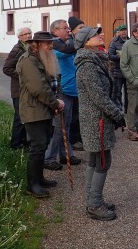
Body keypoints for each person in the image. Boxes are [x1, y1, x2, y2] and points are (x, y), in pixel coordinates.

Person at [74, 26, 125, 221]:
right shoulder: (87, 65)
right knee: (102, 161)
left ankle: (93, 199)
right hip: (97, 121)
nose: (101, 35)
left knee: (97, 160)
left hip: (99, 119)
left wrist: (115, 114)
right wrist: (117, 115)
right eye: (96, 35)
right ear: (86, 42)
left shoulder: (95, 59)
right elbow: (99, 97)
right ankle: (94, 205)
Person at [16, 31, 65, 198]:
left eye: (51, 43)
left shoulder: (42, 58)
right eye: (47, 44)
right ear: (35, 44)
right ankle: (32, 185)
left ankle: (40, 178)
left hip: (44, 109)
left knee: (42, 145)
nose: (51, 46)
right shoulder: (28, 61)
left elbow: (53, 81)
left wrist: (56, 101)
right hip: (33, 110)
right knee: (37, 147)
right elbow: (39, 88)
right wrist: (55, 103)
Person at [44, 19, 81, 171]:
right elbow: (68, 52)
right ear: (55, 31)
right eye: (64, 28)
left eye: (68, 28)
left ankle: (66, 154)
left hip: (71, 90)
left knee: (67, 125)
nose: (68, 30)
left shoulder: (65, 44)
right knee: (59, 127)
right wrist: (77, 37)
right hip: (63, 90)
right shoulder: (55, 46)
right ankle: (49, 158)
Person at [2, 26, 31, 150]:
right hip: (18, 90)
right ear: (19, 37)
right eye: (25, 34)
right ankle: (15, 144)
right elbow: (6, 69)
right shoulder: (17, 50)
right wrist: (21, 75)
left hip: (26, 88)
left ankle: (24, 142)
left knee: (26, 116)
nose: (28, 36)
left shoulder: (29, 48)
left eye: (29, 33)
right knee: (19, 117)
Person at [67, 16, 85, 151]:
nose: (82, 30)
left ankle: (79, 137)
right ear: (72, 31)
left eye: (84, 27)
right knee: (73, 114)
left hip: (80, 81)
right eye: (80, 28)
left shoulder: (83, 42)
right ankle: (73, 140)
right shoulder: (69, 44)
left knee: (80, 113)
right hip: (71, 83)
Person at [108, 24, 128, 113]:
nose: (124, 31)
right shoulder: (114, 42)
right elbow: (110, 56)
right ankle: (120, 109)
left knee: (129, 92)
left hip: (128, 71)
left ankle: (128, 110)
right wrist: (119, 57)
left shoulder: (130, 41)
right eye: (122, 30)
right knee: (118, 92)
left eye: (125, 30)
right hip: (117, 70)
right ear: (119, 32)